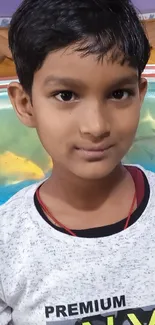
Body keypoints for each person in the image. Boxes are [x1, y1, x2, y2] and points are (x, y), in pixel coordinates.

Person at [0, 0, 153, 324]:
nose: (96, 127)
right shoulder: (6, 241)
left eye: (118, 94)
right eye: (66, 95)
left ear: (140, 95)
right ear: (25, 104)